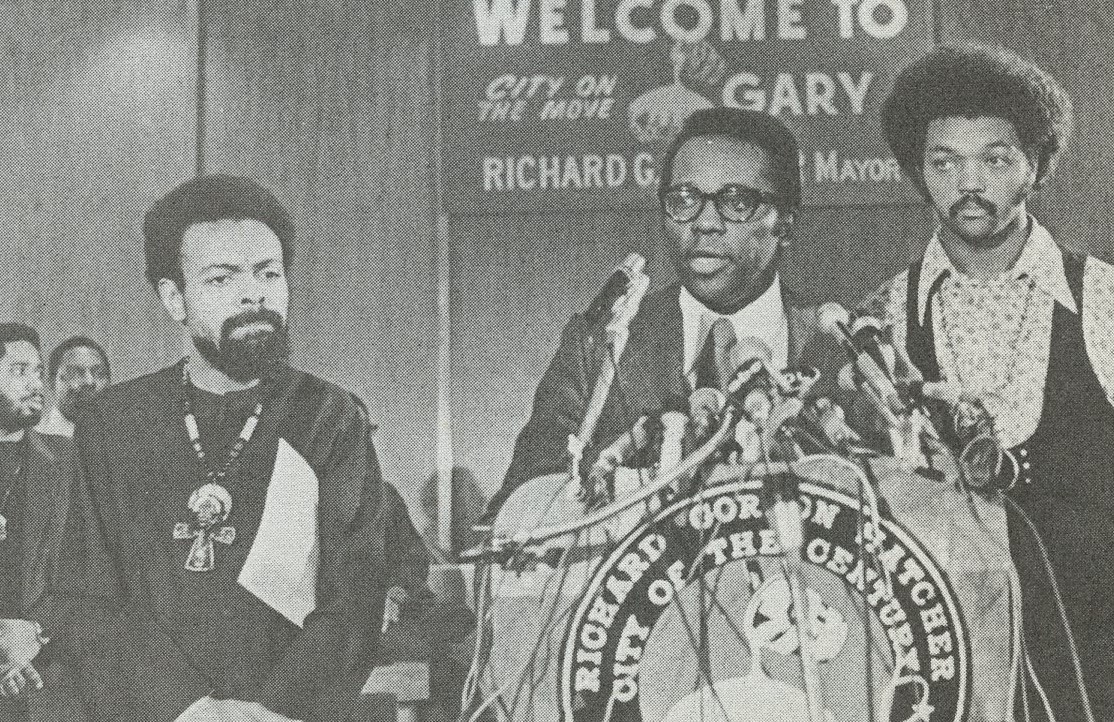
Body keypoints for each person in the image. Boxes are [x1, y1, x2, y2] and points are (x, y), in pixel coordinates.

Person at [50, 175, 430, 722]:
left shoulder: (330, 418)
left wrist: (275, 710)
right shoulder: (110, 425)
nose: (253, 293)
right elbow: (87, 603)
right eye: (222, 278)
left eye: (268, 274)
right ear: (174, 298)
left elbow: (355, 596)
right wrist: (187, 709)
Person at [868, 43, 1114, 719]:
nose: (967, 183)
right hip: (943, 663)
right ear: (920, 171)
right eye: (944, 161)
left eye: (995, 158)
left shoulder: (1103, 301)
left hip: (1096, 659)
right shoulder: (880, 319)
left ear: (1035, 165)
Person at [488, 107, 842, 517]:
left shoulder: (836, 350)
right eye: (685, 201)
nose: (705, 223)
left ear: (786, 223)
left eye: (737, 202)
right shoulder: (602, 344)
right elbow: (521, 509)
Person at [0, 324, 83, 721]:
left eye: (37, 372)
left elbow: (87, 569)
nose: (36, 384)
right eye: (19, 372)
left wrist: (29, 633)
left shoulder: (68, 460)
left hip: (45, 674)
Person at [35, 337, 111, 438]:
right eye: (74, 373)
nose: (89, 382)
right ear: (51, 383)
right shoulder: (32, 441)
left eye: (99, 373)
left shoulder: (121, 438)